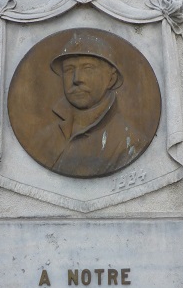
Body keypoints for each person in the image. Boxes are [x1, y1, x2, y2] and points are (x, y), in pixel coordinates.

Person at [35, 32, 145, 178]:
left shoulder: (129, 143)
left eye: (87, 68)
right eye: (69, 70)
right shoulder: (45, 137)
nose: (77, 79)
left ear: (111, 79)